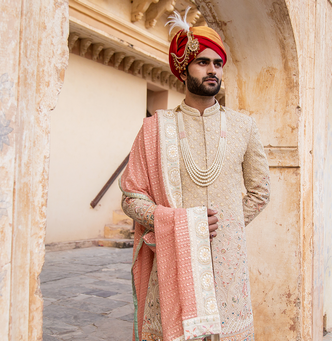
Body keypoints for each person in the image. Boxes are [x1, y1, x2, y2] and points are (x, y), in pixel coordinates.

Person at [120, 8, 270, 341]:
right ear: (184, 68)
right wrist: (183, 226)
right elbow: (131, 198)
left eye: (218, 64)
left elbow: (261, 191)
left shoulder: (244, 127)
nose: (212, 70)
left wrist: (226, 223)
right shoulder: (155, 128)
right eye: (203, 62)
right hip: (173, 260)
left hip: (228, 264)